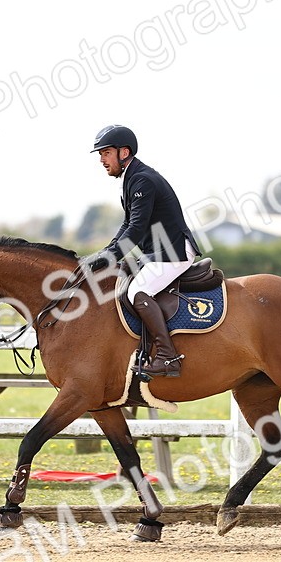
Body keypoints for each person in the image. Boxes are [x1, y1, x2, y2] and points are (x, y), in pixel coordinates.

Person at [84, 124, 198, 378]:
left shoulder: (142, 180)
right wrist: (106, 253)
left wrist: (110, 257)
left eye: (105, 153)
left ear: (124, 152)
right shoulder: (132, 178)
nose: (101, 160)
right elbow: (128, 225)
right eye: (100, 154)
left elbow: (136, 228)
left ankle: (168, 357)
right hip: (155, 253)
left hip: (173, 253)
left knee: (138, 291)